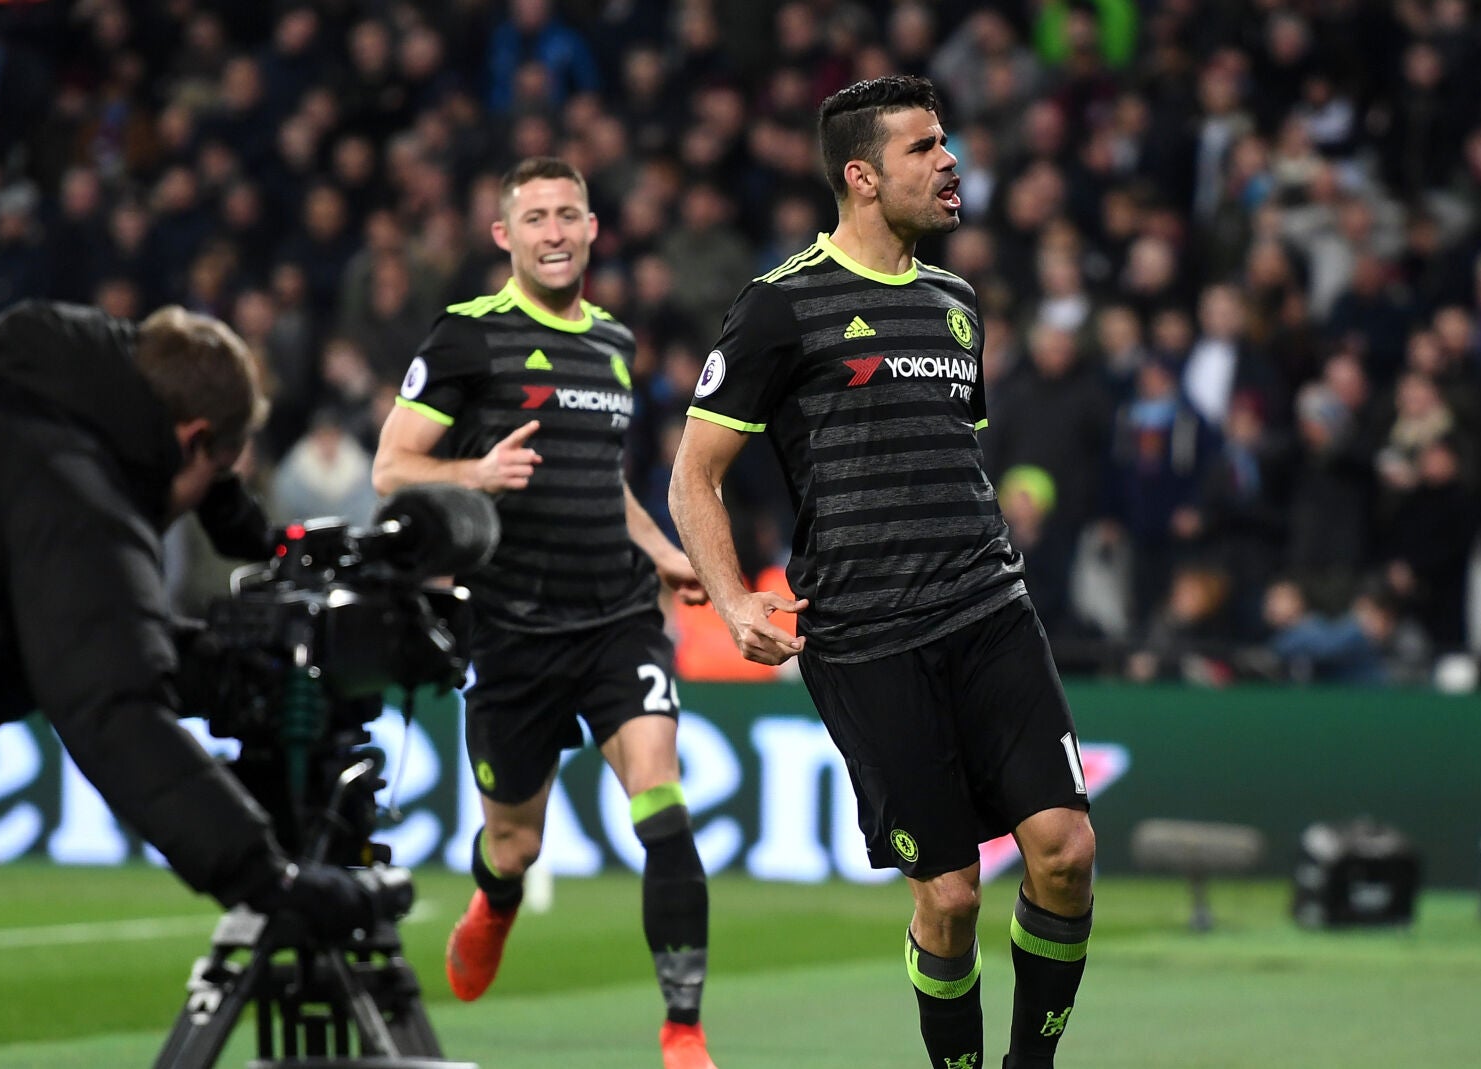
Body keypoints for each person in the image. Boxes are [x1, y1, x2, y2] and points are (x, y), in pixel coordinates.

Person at [669, 76, 1097, 1069]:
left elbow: (954, 457)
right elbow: (695, 474)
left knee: (1066, 851)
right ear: (861, 176)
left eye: (947, 143)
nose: (950, 162)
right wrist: (732, 600)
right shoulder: (779, 308)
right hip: (868, 641)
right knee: (948, 899)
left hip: (990, 610)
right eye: (924, 148)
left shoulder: (956, 304)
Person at [0, 301, 376, 1069]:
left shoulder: (34, 397)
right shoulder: (78, 499)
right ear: (193, 440)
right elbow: (114, 711)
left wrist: (243, 541)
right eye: (218, 470)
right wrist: (267, 878)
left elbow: (58, 643)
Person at [369, 158, 717, 1069]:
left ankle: (683, 1030)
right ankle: (495, 901)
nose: (554, 232)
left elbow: (606, 482)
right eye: (536, 218)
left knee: (662, 801)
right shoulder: (466, 338)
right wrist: (473, 473)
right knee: (514, 842)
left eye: (569, 215)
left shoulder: (613, 341)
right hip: (513, 629)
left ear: (595, 228)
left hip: (615, 616)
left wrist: (663, 552)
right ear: (505, 237)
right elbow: (392, 467)